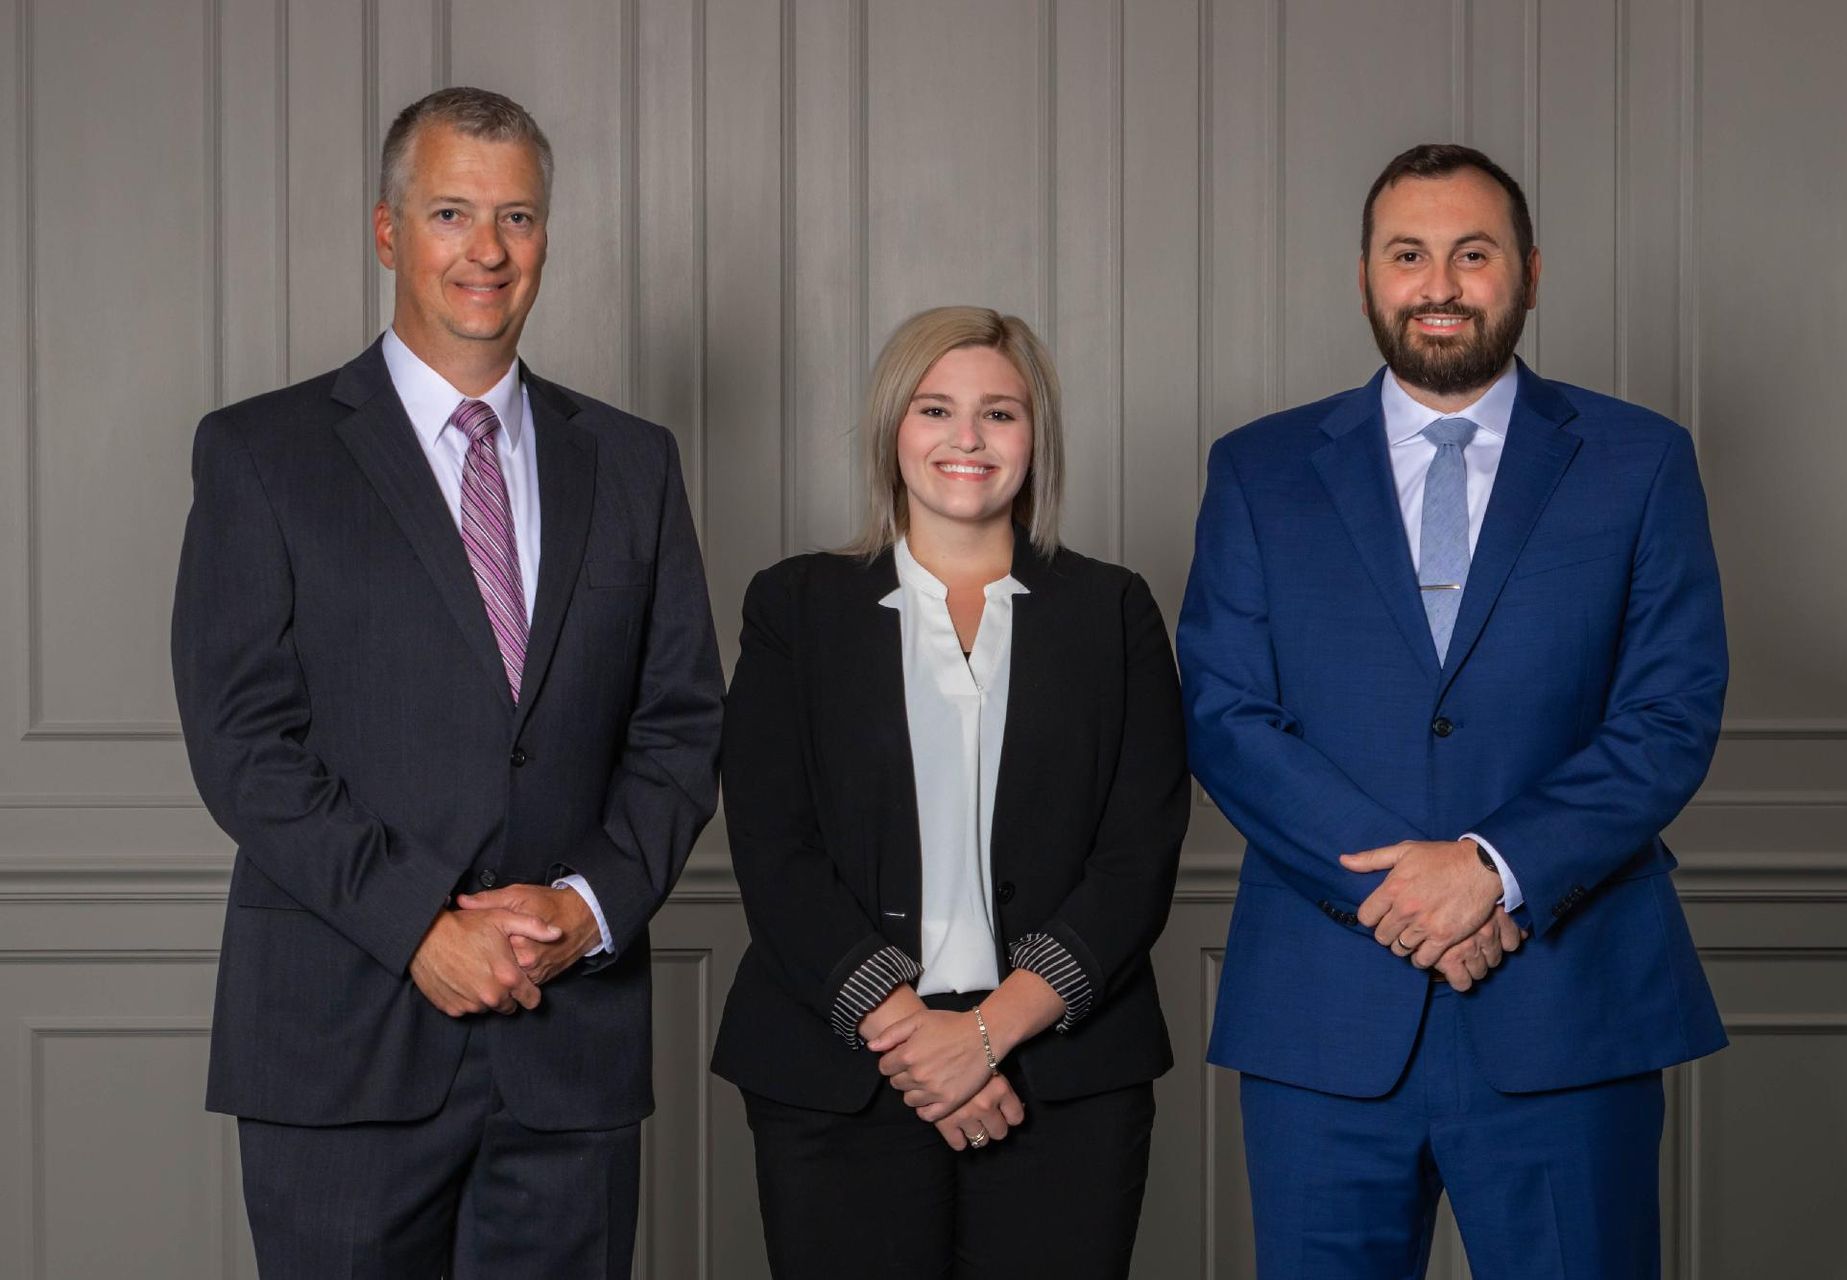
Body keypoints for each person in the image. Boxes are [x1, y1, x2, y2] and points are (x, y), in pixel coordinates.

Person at [170, 87, 723, 1278]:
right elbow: (241, 739)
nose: (487, 249)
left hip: (566, 1045)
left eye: (517, 217)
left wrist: (586, 905)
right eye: (453, 212)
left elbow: (680, 724)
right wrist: (418, 922)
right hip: (341, 1040)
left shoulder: (631, 462)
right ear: (387, 231)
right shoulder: (263, 454)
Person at [1179, 143, 1728, 1278]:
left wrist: (1492, 865)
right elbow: (1228, 713)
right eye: (1409, 255)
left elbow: (1669, 712)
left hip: (1567, 1001)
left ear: (1527, 271)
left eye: (1472, 254)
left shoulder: (1640, 462)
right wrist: (1409, 893)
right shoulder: (1260, 469)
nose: (1440, 283)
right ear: (1366, 277)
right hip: (1325, 1020)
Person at [712, 306, 1188, 1279]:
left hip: (1063, 1081)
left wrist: (983, 1034)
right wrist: (922, 1046)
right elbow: (772, 844)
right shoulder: (794, 606)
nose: (966, 438)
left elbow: (1139, 852)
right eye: (936, 408)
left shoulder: (1114, 610)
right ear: (895, 429)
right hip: (840, 1074)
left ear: (1035, 438)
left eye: (1000, 413)